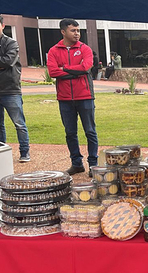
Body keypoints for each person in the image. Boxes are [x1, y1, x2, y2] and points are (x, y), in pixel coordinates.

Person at [47, 18, 98, 176]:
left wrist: (65, 69)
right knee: (70, 132)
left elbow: (85, 67)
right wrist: (75, 72)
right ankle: (77, 164)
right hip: (65, 98)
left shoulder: (85, 49)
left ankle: (93, 165)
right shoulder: (54, 51)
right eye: (73, 30)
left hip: (85, 96)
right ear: (63, 32)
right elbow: (53, 72)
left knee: (90, 131)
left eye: (78, 30)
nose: (77, 33)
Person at [0, 13, 30, 162]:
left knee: (19, 123)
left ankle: (24, 152)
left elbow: (8, 62)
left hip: (11, 90)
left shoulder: (11, 43)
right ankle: (2, 153)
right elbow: (3, 63)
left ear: (2, 26)